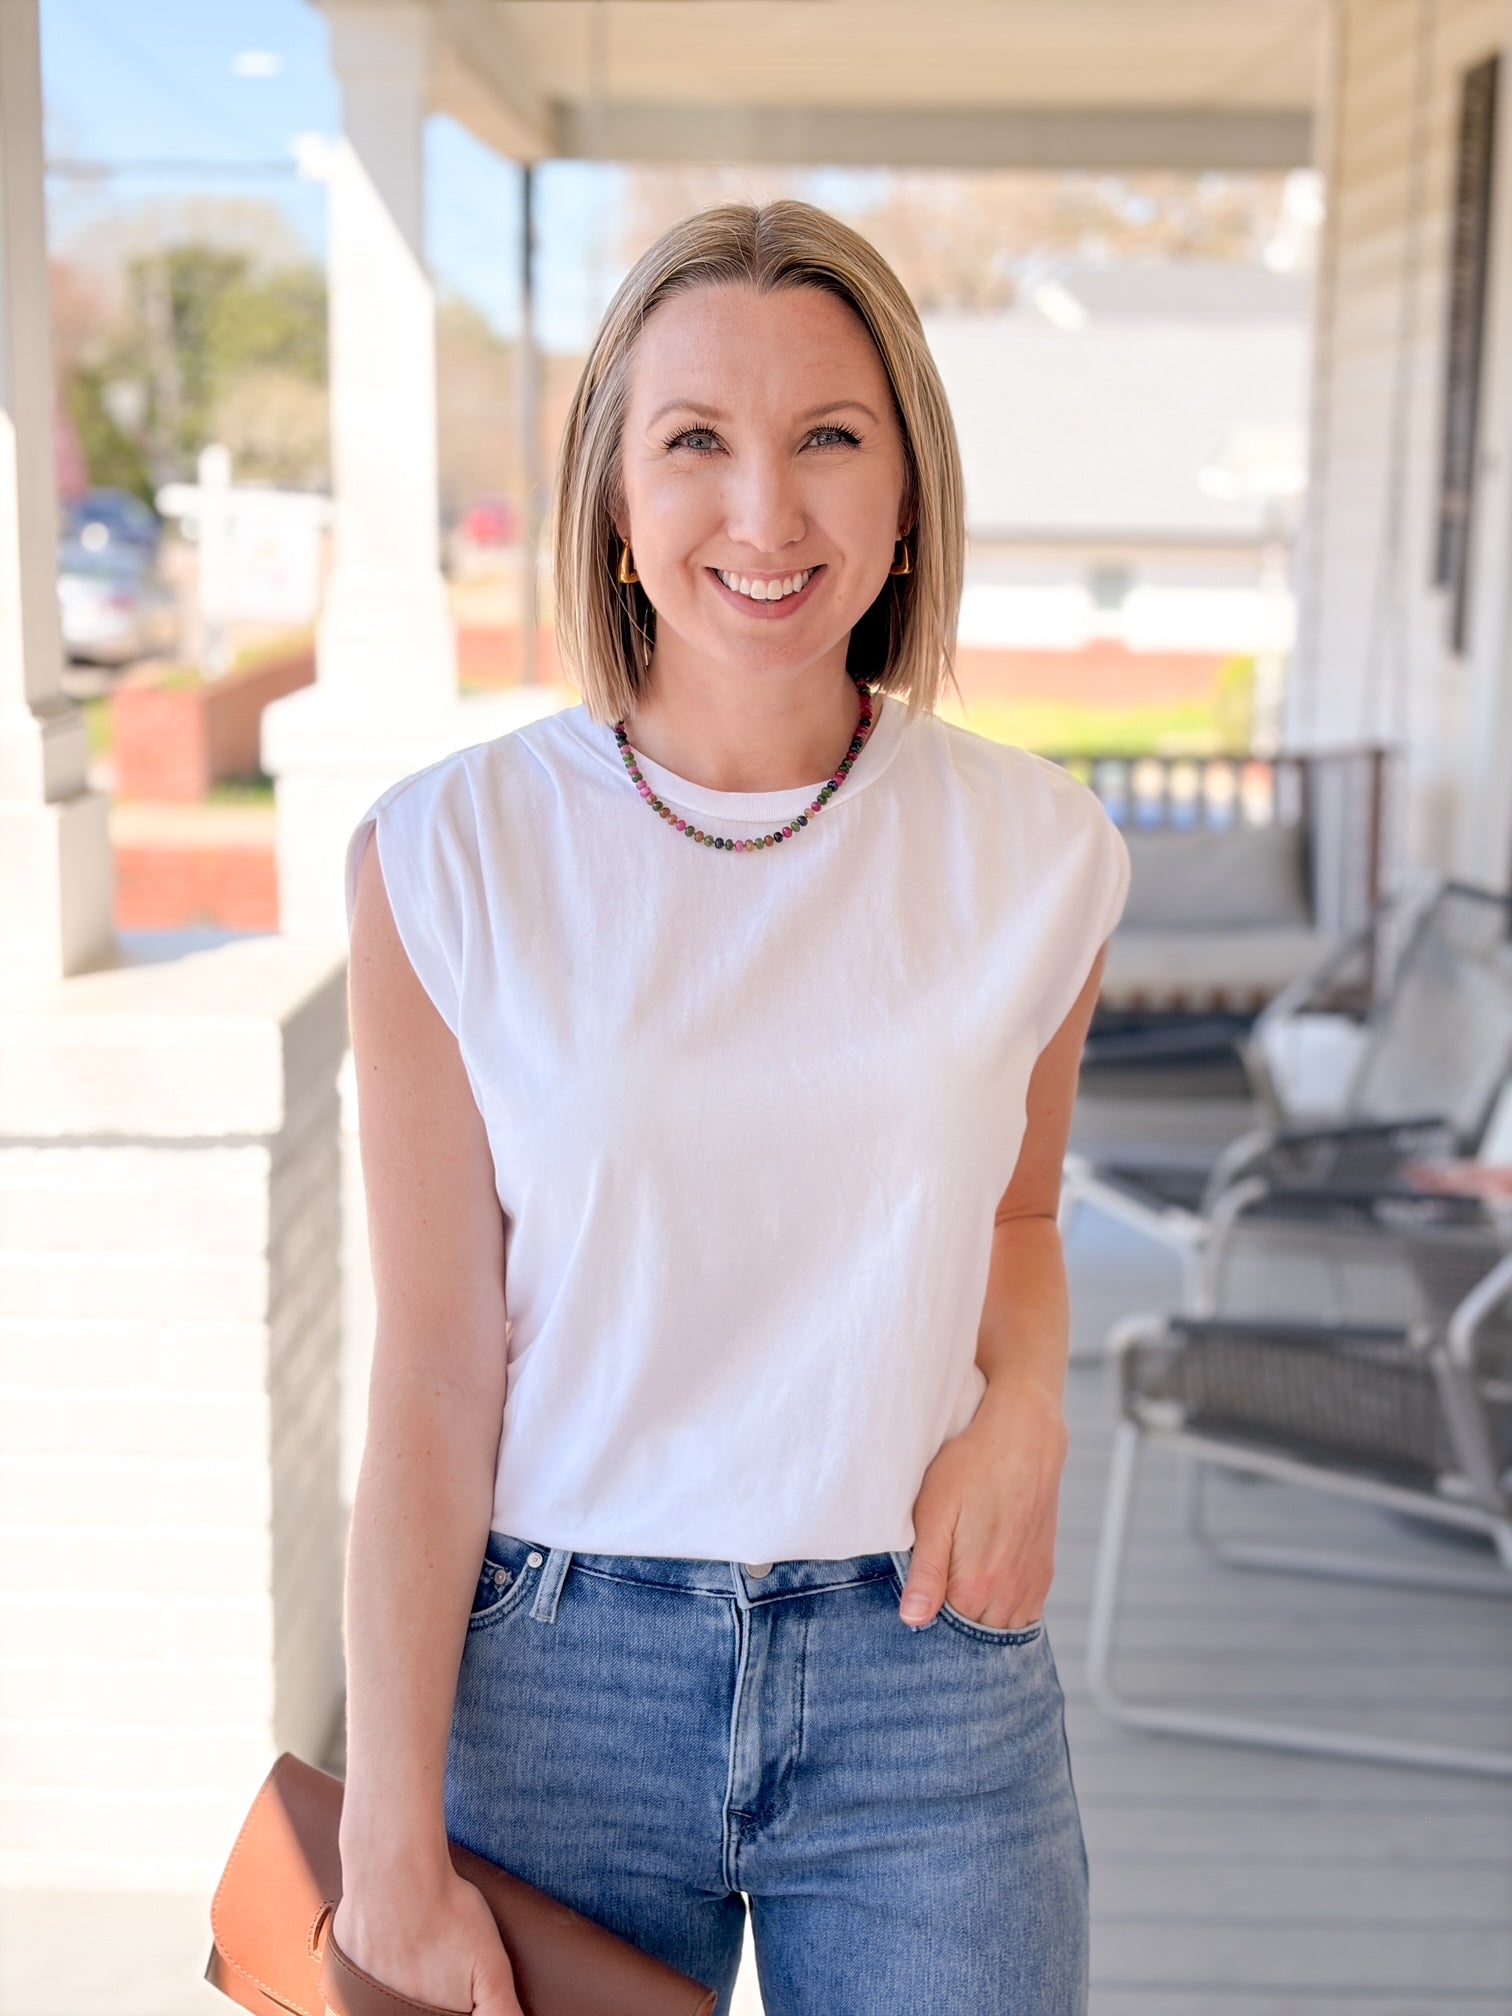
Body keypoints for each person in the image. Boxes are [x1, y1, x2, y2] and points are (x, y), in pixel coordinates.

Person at [334, 200, 1130, 2016]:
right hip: (556, 1688)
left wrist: (1029, 1409)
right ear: (614, 500)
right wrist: (390, 1835)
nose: (766, 516)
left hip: (923, 1677)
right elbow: (437, 1370)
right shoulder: (446, 862)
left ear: (909, 488)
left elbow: (1017, 1220)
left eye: (829, 440)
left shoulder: (1040, 856)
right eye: (696, 442)